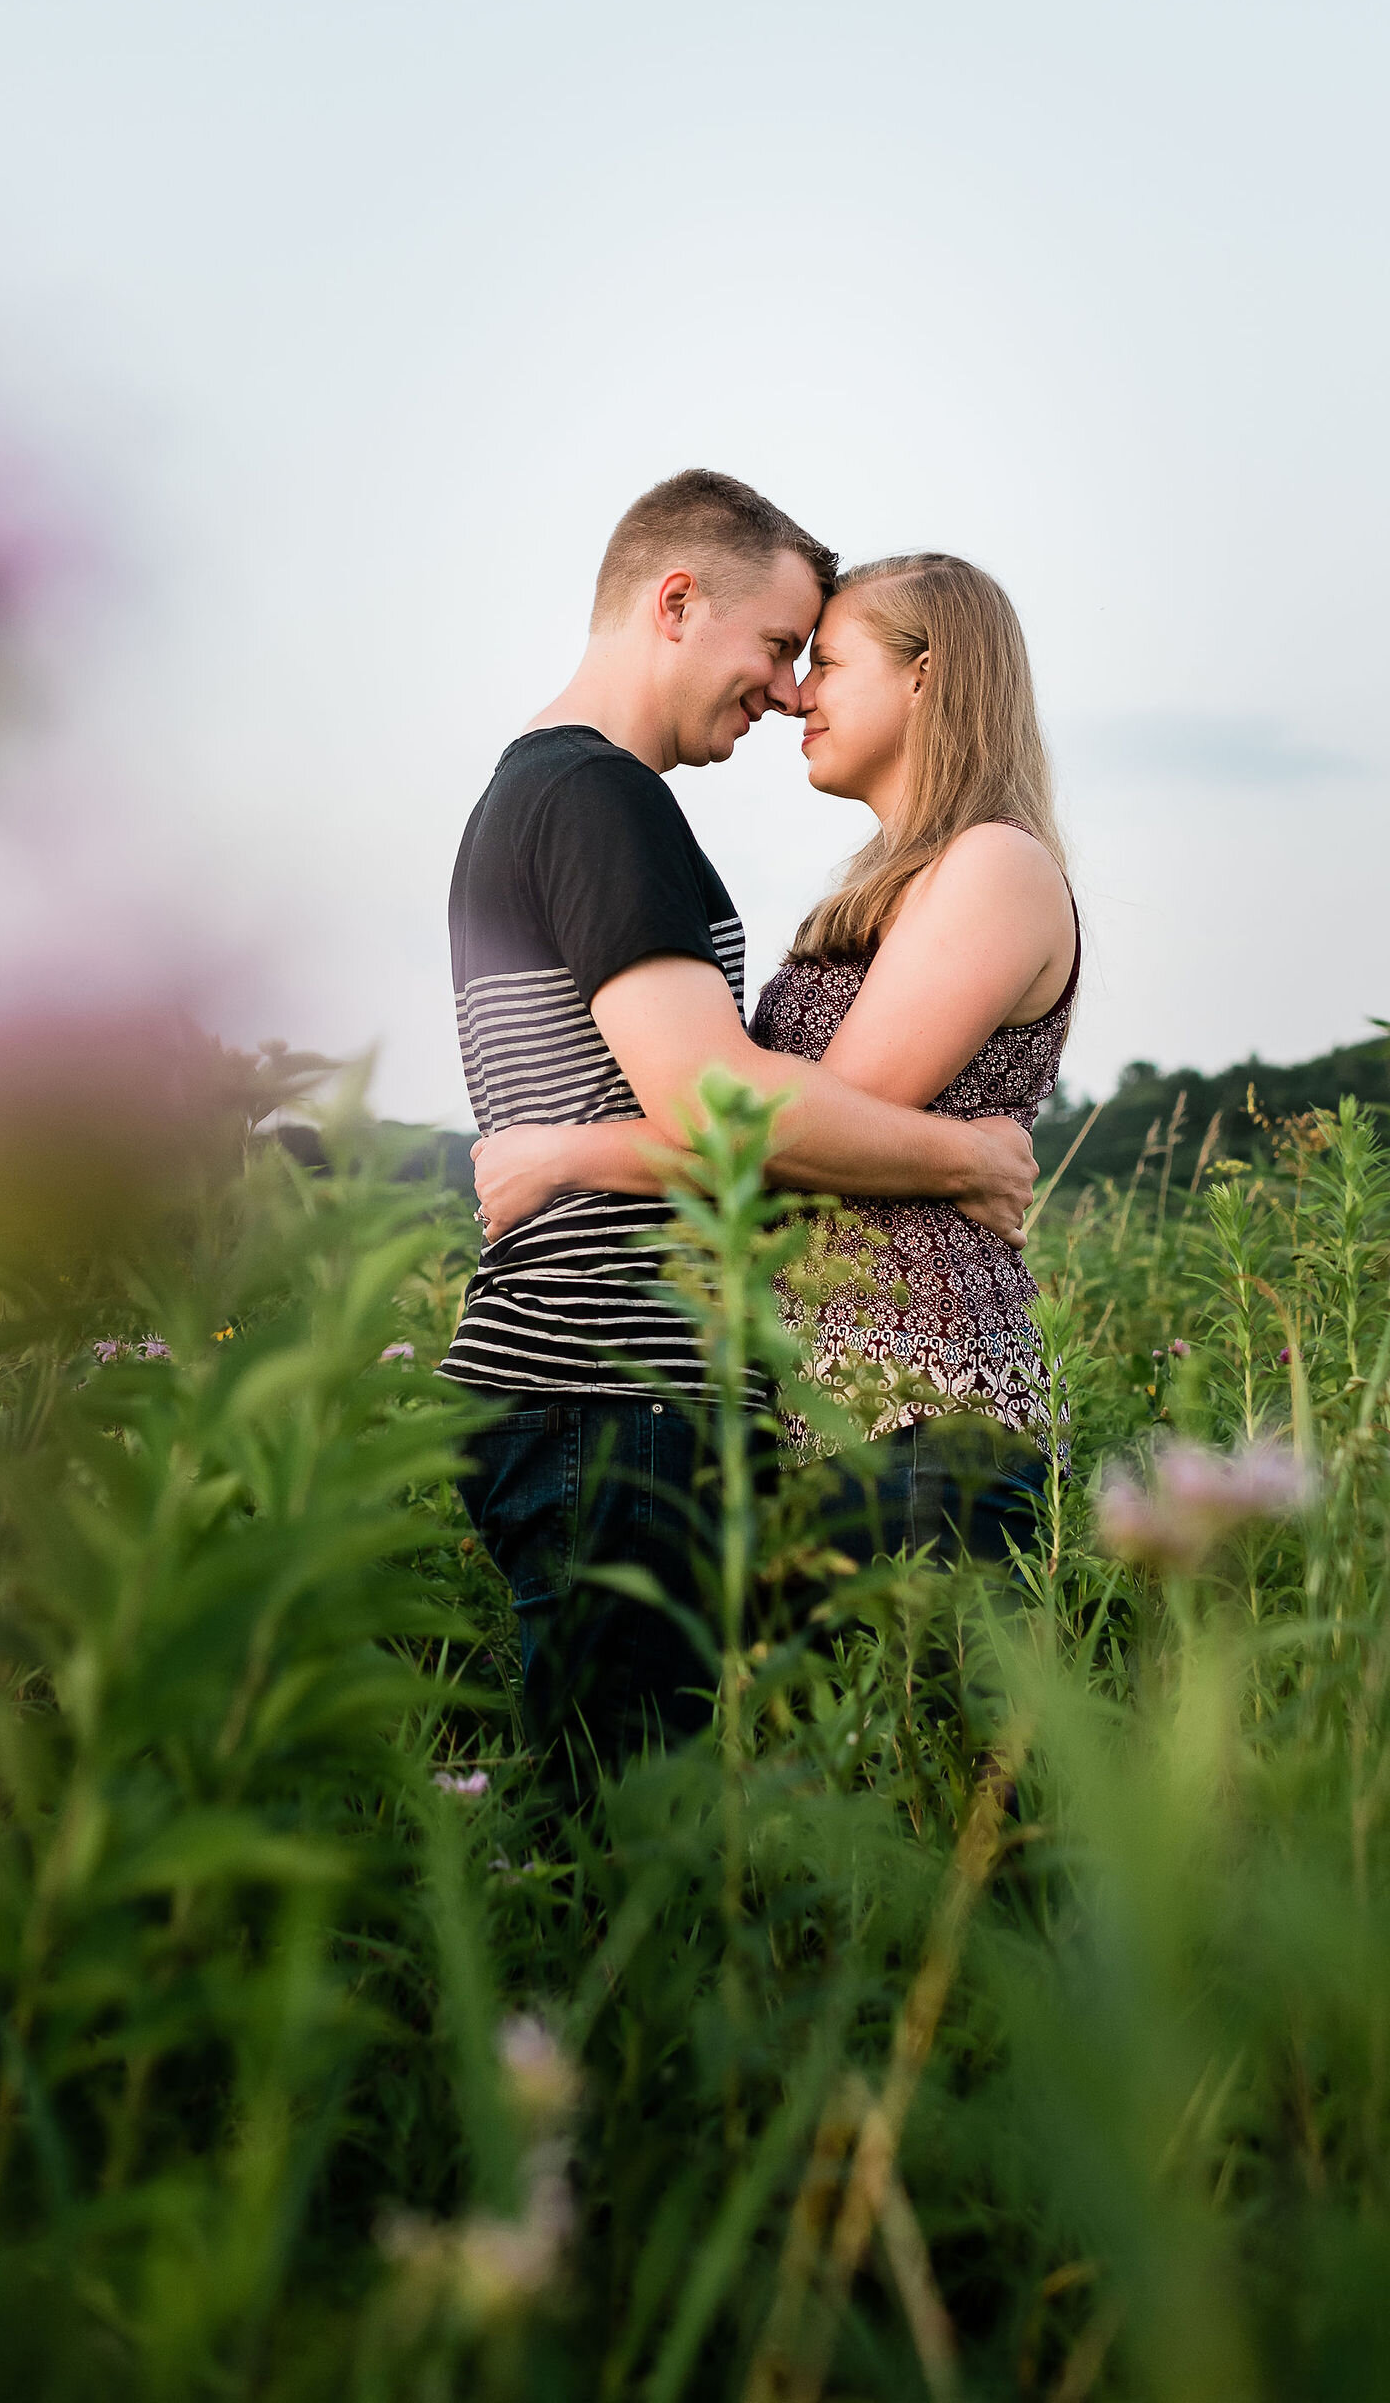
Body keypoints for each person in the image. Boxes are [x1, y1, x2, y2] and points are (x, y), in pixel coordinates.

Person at [441, 474, 1036, 1779]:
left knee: (643, 1804)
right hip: (611, 1373)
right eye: (776, 647)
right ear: (675, 601)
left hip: (596, 1376)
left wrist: (563, 1151)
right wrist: (969, 1155)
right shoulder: (600, 802)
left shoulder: (543, 797)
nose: (782, 690)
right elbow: (723, 1107)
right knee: (630, 1829)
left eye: (810, 659)